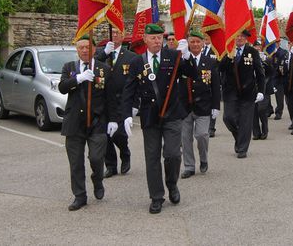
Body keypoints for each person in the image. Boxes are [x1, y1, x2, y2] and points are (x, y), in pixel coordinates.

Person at [122, 23, 197, 214]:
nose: (157, 41)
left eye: (159, 38)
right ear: (145, 39)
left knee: (172, 154)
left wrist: (187, 56)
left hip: (172, 114)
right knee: (152, 158)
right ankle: (156, 196)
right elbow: (129, 90)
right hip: (150, 117)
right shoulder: (137, 63)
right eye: (153, 38)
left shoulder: (173, 56)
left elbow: (193, 74)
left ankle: (172, 184)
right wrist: (126, 115)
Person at [58, 35, 118, 211]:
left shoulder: (104, 69)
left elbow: (111, 98)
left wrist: (114, 120)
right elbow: (62, 87)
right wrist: (79, 78)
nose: (84, 50)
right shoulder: (69, 68)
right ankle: (80, 195)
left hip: (97, 122)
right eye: (81, 47)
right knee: (75, 163)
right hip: (74, 122)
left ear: (94, 49)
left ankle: (97, 179)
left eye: (87, 47)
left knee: (96, 158)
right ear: (77, 50)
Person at [95, 28, 137, 177]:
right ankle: (111, 165)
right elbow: (92, 65)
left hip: (122, 100)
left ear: (123, 36)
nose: (115, 36)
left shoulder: (131, 57)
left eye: (118, 33)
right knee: (105, 135)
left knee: (119, 134)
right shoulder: (103, 54)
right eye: (113, 33)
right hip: (104, 100)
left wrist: (134, 104)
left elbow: (136, 82)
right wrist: (105, 53)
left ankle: (125, 154)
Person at [180, 30, 221, 178]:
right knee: (185, 138)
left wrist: (216, 105)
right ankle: (189, 166)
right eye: (192, 42)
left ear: (203, 43)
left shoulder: (210, 61)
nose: (195, 44)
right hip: (185, 106)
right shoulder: (182, 60)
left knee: (202, 135)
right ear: (188, 43)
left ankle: (203, 159)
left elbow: (215, 85)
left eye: (198, 41)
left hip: (204, 105)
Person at [219, 29, 265, 158]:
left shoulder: (252, 52)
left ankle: (242, 148)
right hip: (230, 92)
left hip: (248, 92)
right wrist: (228, 57)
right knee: (228, 118)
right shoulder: (228, 50)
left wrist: (261, 91)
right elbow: (220, 68)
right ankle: (240, 137)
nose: (239, 38)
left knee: (245, 122)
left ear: (246, 38)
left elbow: (260, 73)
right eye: (237, 36)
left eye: (242, 36)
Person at [253, 40, 273, 140]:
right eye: (256, 46)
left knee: (261, 110)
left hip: (264, 87)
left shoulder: (267, 59)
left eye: (259, 46)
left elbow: (271, 73)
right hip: (252, 88)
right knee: (253, 111)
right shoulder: (249, 58)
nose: (257, 48)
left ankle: (265, 130)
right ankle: (256, 132)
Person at [203, 34, 220, 138]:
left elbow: (217, 64)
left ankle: (211, 128)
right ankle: (205, 127)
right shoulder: (201, 49)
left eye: (208, 37)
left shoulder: (215, 50)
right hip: (202, 78)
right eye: (204, 37)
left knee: (212, 103)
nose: (206, 39)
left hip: (211, 78)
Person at [271, 39, 288, 119]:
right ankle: (268, 109)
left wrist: (275, 52)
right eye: (274, 42)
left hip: (278, 77)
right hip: (269, 77)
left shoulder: (283, 52)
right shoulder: (268, 51)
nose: (276, 44)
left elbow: (281, 64)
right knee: (265, 95)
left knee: (279, 96)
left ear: (279, 43)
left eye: (277, 42)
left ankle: (279, 112)